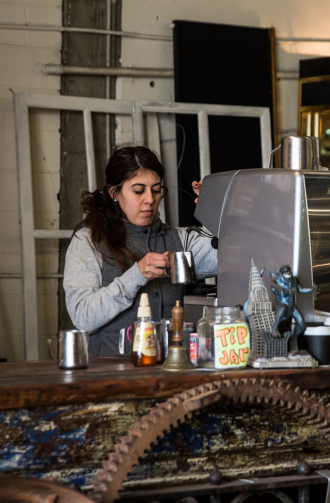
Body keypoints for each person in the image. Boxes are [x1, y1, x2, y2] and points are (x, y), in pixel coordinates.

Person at [64, 146, 217, 357]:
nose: (150, 199)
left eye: (156, 190)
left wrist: (216, 212)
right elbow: (82, 317)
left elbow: (239, 254)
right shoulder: (88, 241)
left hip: (170, 367)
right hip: (109, 369)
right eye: (138, 191)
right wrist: (136, 275)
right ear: (114, 193)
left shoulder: (181, 241)